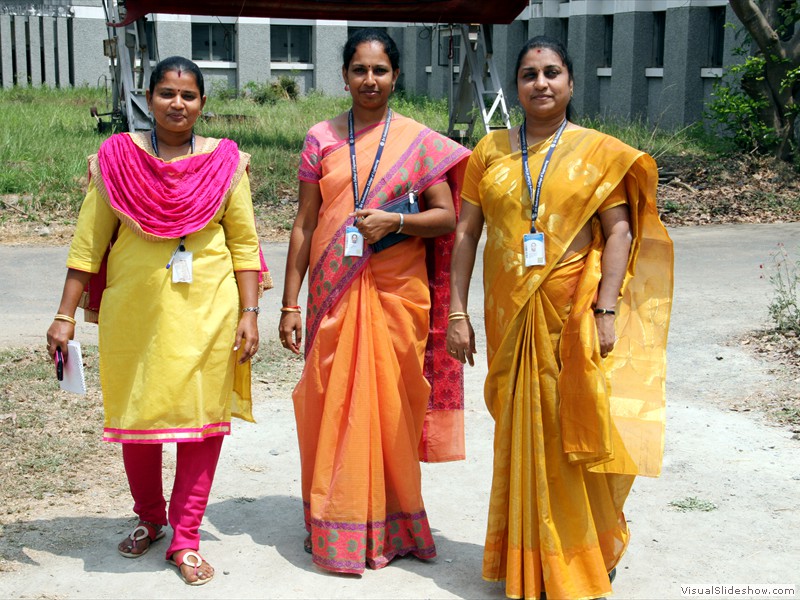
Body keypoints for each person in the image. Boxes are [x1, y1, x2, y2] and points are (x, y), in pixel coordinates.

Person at [446, 36, 673, 599]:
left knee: (576, 425)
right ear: (516, 86)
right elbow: (466, 233)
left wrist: (606, 309)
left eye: (552, 72)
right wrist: (456, 310)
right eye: (529, 74)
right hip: (509, 316)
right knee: (521, 433)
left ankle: (585, 552)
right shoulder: (490, 150)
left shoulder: (598, 153)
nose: (541, 83)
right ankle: (528, 556)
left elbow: (619, 232)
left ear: (571, 82)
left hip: (572, 315)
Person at [46, 56, 270, 586]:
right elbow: (88, 244)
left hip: (209, 314)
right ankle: (150, 517)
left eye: (188, 95)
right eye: (167, 93)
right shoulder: (118, 159)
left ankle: (186, 538)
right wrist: (63, 315)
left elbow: (244, 244)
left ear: (202, 104)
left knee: (202, 424)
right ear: (148, 99)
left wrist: (250, 312)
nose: (177, 103)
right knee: (139, 418)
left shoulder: (226, 162)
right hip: (136, 317)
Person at [279, 28, 471, 574]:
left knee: (390, 408)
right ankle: (333, 514)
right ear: (344, 76)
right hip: (332, 292)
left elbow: (447, 217)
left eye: (380, 70)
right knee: (328, 401)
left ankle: (391, 519)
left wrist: (395, 222)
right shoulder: (320, 138)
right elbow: (305, 223)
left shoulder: (419, 142)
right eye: (359, 69)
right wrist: (289, 302)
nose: (370, 79)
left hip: (397, 295)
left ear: (396, 76)